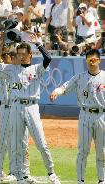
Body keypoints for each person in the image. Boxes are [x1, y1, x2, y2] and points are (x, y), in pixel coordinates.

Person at [0, 35, 61, 184]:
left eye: (23, 54)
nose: (20, 56)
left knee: (41, 143)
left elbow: (48, 58)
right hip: (16, 107)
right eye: (18, 54)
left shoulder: (36, 68)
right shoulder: (11, 69)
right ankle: (20, 176)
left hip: (32, 107)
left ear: (30, 55)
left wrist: (39, 44)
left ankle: (51, 173)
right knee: (16, 144)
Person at [50, 49, 105, 184]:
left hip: (102, 116)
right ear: (86, 61)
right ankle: (80, 181)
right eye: (89, 60)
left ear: (99, 60)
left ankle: (102, 180)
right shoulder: (80, 77)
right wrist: (56, 91)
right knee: (83, 151)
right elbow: (65, 86)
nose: (92, 63)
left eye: (94, 60)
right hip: (85, 115)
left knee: (102, 151)